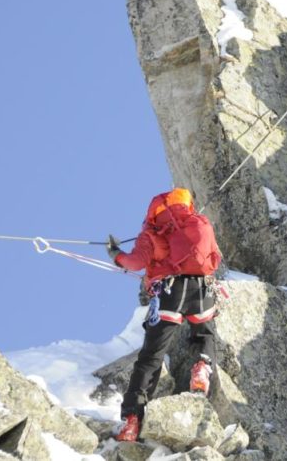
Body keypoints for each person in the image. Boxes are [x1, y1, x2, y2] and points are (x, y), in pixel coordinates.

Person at [106, 188, 224, 443]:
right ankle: (202, 367)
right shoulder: (198, 223)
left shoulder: (152, 233)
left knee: (150, 358)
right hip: (202, 290)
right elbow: (214, 257)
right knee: (204, 333)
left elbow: (134, 263)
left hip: (169, 293)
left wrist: (116, 254)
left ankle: (131, 420)